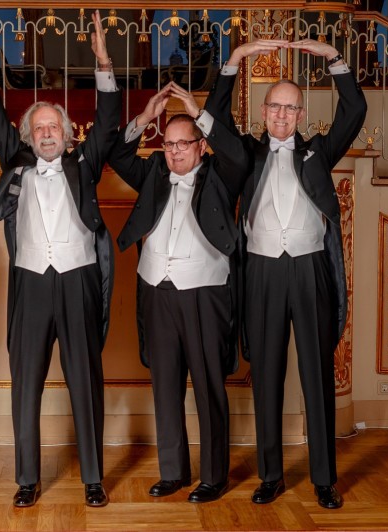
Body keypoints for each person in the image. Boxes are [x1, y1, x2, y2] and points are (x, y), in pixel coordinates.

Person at [0, 11, 121, 508]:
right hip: (30, 283)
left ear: (69, 134)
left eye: (55, 126)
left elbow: (112, 122)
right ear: (28, 136)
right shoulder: (17, 161)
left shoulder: (85, 164)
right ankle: (27, 478)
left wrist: (102, 64)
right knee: (25, 382)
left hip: (77, 281)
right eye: (39, 127)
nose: (47, 133)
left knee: (85, 380)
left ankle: (93, 477)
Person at [213, 39, 367, 509]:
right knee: (268, 373)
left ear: (301, 114)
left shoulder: (319, 152)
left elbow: (355, 110)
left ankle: (324, 478)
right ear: (264, 110)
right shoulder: (244, 153)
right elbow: (214, 121)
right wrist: (233, 63)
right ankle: (271, 474)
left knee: (317, 372)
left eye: (291, 107)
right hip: (260, 271)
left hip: (310, 269)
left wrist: (333, 58)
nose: (282, 114)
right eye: (275, 106)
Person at [108, 80, 247, 503]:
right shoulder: (154, 171)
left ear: (201, 146)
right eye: (168, 144)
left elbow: (240, 156)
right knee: (165, 384)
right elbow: (116, 154)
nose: (174, 152)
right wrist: (145, 118)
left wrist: (198, 109)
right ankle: (173, 472)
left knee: (207, 385)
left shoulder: (223, 176)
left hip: (204, 292)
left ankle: (213, 475)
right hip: (156, 290)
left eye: (183, 144)